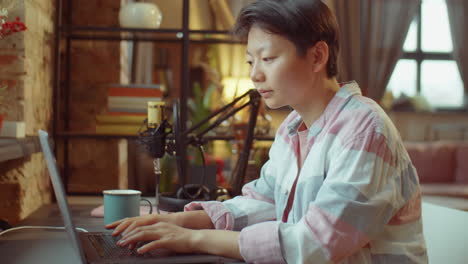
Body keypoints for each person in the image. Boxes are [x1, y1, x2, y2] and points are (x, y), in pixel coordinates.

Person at [106, 0, 428, 263]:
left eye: (268, 58)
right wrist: (175, 222)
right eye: (250, 62)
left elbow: (315, 244)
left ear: (318, 56)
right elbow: (264, 202)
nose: (255, 76)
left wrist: (195, 239)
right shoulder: (291, 129)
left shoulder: (364, 130)